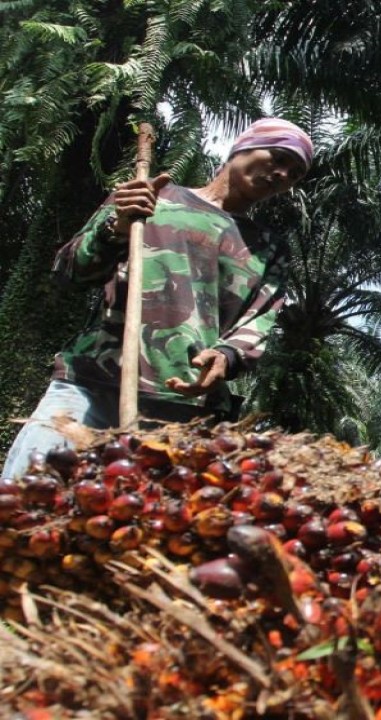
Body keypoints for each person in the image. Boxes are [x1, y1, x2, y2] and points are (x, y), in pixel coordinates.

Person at [1, 118, 313, 479]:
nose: (282, 174)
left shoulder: (268, 248)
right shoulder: (150, 198)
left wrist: (227, 357)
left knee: (142, 527)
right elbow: (73, 270)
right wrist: (116, 226)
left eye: (294, 173)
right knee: (27, 502)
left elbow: (259, 320)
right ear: (242, 147)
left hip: (184, 409)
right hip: (92, 385)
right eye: (277, 156)